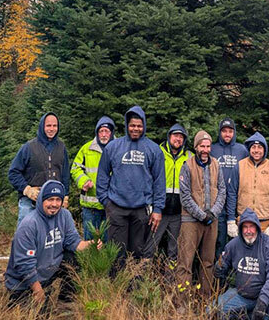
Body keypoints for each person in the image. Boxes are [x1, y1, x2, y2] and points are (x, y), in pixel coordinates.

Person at [4, 180, 101, 310]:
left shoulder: (65, 215)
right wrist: (38, 292)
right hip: (23, 282)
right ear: (41, 200)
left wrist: (90, 244)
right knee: (36, 314)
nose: (54, 204)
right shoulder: (29, 224)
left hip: (47, 273)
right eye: (50, 200)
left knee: (73, 257)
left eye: (57, 200)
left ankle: (66, 302)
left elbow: (73, 242)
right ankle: (29, 296)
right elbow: (24, 264)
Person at [96, 106, 165, 264]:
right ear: (127, 125)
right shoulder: (113, 147)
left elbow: (159, 182)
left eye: (139, 126)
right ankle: (116, 284)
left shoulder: (154, 150)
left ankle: (134, 285)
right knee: (116, 252)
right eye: (132, 125)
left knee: (137, 252)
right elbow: (102, 176)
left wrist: (158, 209)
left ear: (144, 126)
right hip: (117, 209)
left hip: (141, 211)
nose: (136, 129)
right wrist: (106, 203)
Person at [176, 130, 226, 298]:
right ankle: (183, 302)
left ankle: (205, 299)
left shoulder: (216, 165)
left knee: (208, 262)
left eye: (208, 146)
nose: (205, 149)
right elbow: (185, 196)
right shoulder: (187, 166)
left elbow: (222, 192)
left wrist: (213, 213)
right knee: (186, 262)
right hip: (190, 221)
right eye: (202, 146)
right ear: (196, 147)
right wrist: (201, 215)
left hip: (212, 221)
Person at [214, 207, 269, 320]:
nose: (248, 231)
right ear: (240, 229)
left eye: (251, 226)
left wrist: (263, 301)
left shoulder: (268, 244)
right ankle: (246, 316)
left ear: (257, 227)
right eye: (245, 227)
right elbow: (222, 265)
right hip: (242, 295)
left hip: (265, 296)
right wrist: (219, 268)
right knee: (213, 310)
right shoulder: (233, 244)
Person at [8, 113, 70, 227]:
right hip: (30, 202)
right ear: (42, 126)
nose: (52, 129)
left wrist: (65, 195)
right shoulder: (29, 147)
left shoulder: (61, 147)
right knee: (25, 235)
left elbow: (65, 174)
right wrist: (27, 190)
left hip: (53, 202)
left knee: (51, 238)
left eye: (54, 126)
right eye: (48, 126)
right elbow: (13, 173)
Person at [143, 123, 193, 262]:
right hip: (159, 210)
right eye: (175, 135)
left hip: (178, 212)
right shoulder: (157, 152)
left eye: (181, 137)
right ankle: (143, 278)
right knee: (150, 246)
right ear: (169, 136)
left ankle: (170, 281)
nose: (178, 139)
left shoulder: (189, 157)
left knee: (174, 249)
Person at [226, 132, 269, 239]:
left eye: (259, 147)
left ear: (264, 150)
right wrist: (230, 220)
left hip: (265, 223)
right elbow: (232, 194)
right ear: (249, 149)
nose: (256, 150)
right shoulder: (239, 166)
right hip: (243, 221)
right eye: (253, 147)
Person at [70, 116, 116, 239]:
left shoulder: (118, 148)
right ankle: (88, 259)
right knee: (89, 240)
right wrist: (84, 181)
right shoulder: (86, 148)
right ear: (97, 132)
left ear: (111, 133)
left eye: (107, 131)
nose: (104, 135)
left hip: (111, 204)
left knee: (108, 240)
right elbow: (75, 168)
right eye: (101, 131)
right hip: (90, 206)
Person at [211, 117, 248, 259]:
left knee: (236, 241)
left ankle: (234, 275)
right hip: (217, 203)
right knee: (219, 240)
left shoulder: (242, 150)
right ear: (220, 132)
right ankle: (218, 275)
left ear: (234, 133)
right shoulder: (213, 149)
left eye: (230, 131)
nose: (227, 134)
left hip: (237, 203)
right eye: (224, 131)